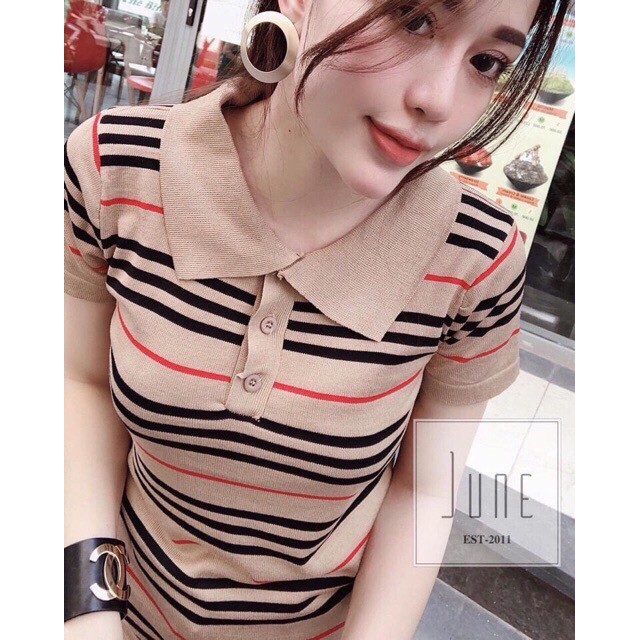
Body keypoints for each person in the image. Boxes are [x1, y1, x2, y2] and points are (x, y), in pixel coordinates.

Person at [64, 1, 571, 639]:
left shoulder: (477, 257)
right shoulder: (116, 165)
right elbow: (79, 383)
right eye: (412, 18)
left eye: (487, 62)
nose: (438, 102)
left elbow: (426, 491)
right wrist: (88, 609)